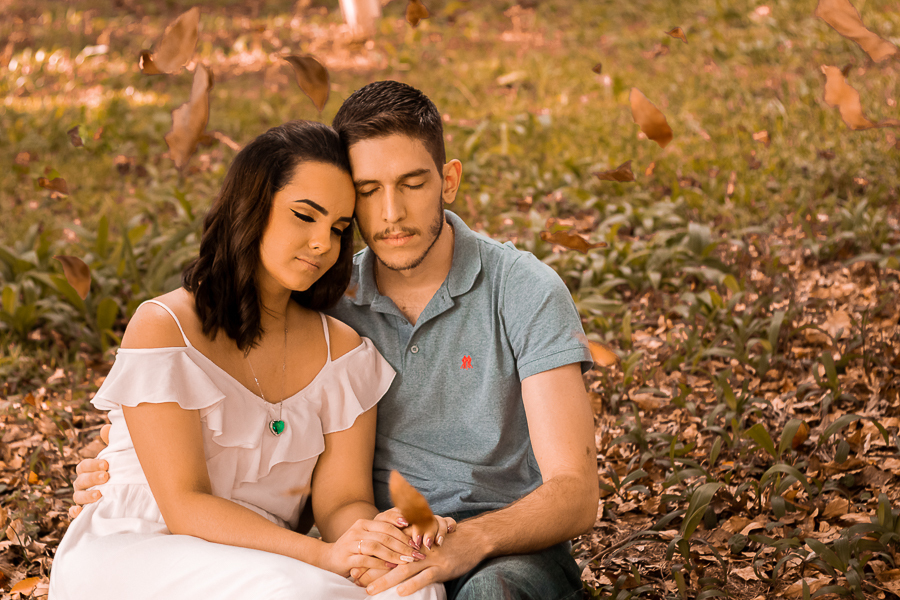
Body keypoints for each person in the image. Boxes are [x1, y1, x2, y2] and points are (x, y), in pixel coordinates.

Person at [72, 81, 600, 600]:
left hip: (501, 542)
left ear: (449, 180)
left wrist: (469, 541)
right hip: (374, 539)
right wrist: (114, 460)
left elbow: (576, 493)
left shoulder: (520, 290)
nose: (390, 213)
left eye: (413, 183)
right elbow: (215, 404)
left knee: (482, 593)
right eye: (368, 192)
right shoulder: (325, 296)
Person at [49, 120, 449, 600]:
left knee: (412, 587)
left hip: (272, 556)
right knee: (293, 593)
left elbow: (343, 502)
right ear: (252, 207)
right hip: (143, 542)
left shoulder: (344, 354)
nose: (323, 243)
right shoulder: (165, 327)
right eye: (305, 216)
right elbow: (184, 506)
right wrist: (325, 556)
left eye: (339, 228)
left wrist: (377, 538)